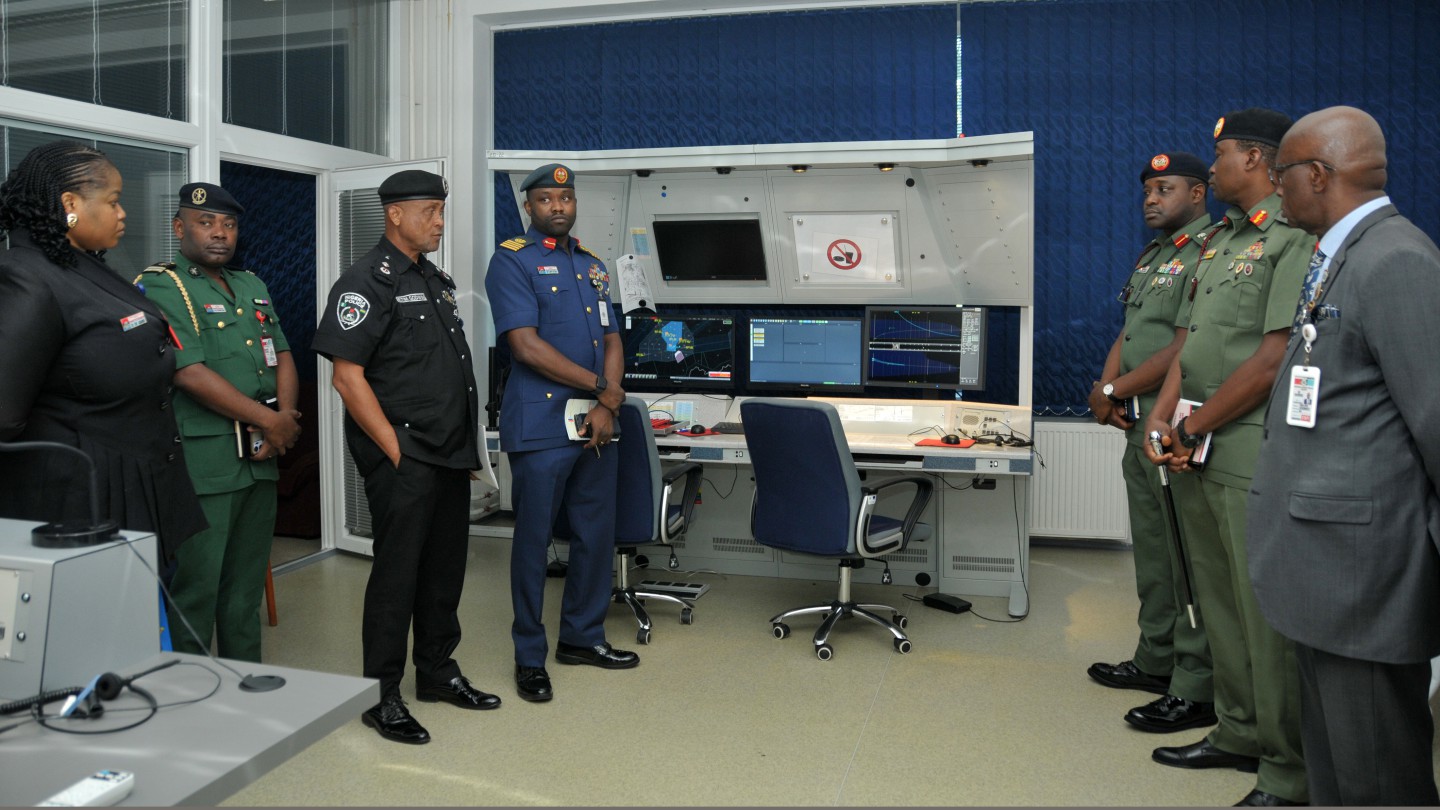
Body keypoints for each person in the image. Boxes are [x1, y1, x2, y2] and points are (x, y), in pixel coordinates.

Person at [1248, 106, 1440, 806]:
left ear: (1319, 175)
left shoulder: (1396, 261)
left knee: (1377, 779)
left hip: (1365, 580)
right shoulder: (1343, 255)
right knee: (1336, 772)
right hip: (1328, 572)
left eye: (1283, 173)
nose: (1275, 187)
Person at [1142, 109, 1311, 807]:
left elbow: (1272, 359)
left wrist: (1195, 425)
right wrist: (1163, 418)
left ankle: (1287, 769)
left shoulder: (1291, 238)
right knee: (1215, 599)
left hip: (1246, 445)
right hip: (1196, 439)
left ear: (1259, 160)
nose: (1212, 169)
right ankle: (1237, 730)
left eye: (1223, 155)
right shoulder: (1220, 243)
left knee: (1260, 613)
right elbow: (1191, 344)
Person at [314, 170, 496, 745]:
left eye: (442, 211)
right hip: (407, 457)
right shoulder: (365, 281)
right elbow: (347, 378)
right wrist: (396, 452)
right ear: (395, 214)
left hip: (448, 455)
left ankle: (437, 672)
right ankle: (381, 696)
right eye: (430, 212)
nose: (440, 222)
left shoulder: (432, 278)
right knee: (397, 578)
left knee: (443, 573)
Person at [0, 141, 205, 562]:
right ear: (70, 204)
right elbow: (4, 417)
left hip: (135, 481)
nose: (122, 212)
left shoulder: (78, 264)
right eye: (113, 201)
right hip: (81, 500)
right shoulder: (27, 277)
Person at [485, 162, 638, 704]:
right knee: (534, 542)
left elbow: (611, 337)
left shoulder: (591, 264)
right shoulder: (512, 261)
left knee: (596, 535)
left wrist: (606, 402)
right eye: (547, 199)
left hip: (597, 420)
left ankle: (582, 637)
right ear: (529, 207)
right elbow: (524, 347)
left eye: (566, 198)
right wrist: (603, 389)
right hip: (542, 424)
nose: (558, 206)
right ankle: (530, 656)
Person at [135, 182, 301, 663]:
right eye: (205, 223)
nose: (219, 233)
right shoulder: (164, 285)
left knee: (244, 589)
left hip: (261, 457)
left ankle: (244, 682)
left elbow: (282, 354)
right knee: (198, 586)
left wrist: (282, 420)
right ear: (179, 228)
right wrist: (271, 421)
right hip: (206, 463)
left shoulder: (251, 284)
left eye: (228, 225)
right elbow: (187, 372)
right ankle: (190, 689)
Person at [1086, 152, 1215, 735]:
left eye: (1165, 189)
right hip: (1138, 423)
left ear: (1198, 192)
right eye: (1147, 190)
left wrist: (1116, 388)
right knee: (1154, 553)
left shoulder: (1209, 252)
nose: (1151, 199)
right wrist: (1105, 389)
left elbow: (1184, 348)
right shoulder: (1154, 255)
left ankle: (1193, 683)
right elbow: (1131, 330)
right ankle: (1155, 659)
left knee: (1184, 560)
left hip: (1172, 426)